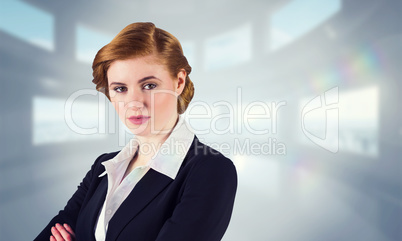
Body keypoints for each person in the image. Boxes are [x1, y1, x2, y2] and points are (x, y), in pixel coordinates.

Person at [34, 22, 237, 241]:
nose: (134, 103)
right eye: (120, 89)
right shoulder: (103, 168)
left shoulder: (210, 171)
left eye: (149, 85)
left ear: (178, 82)